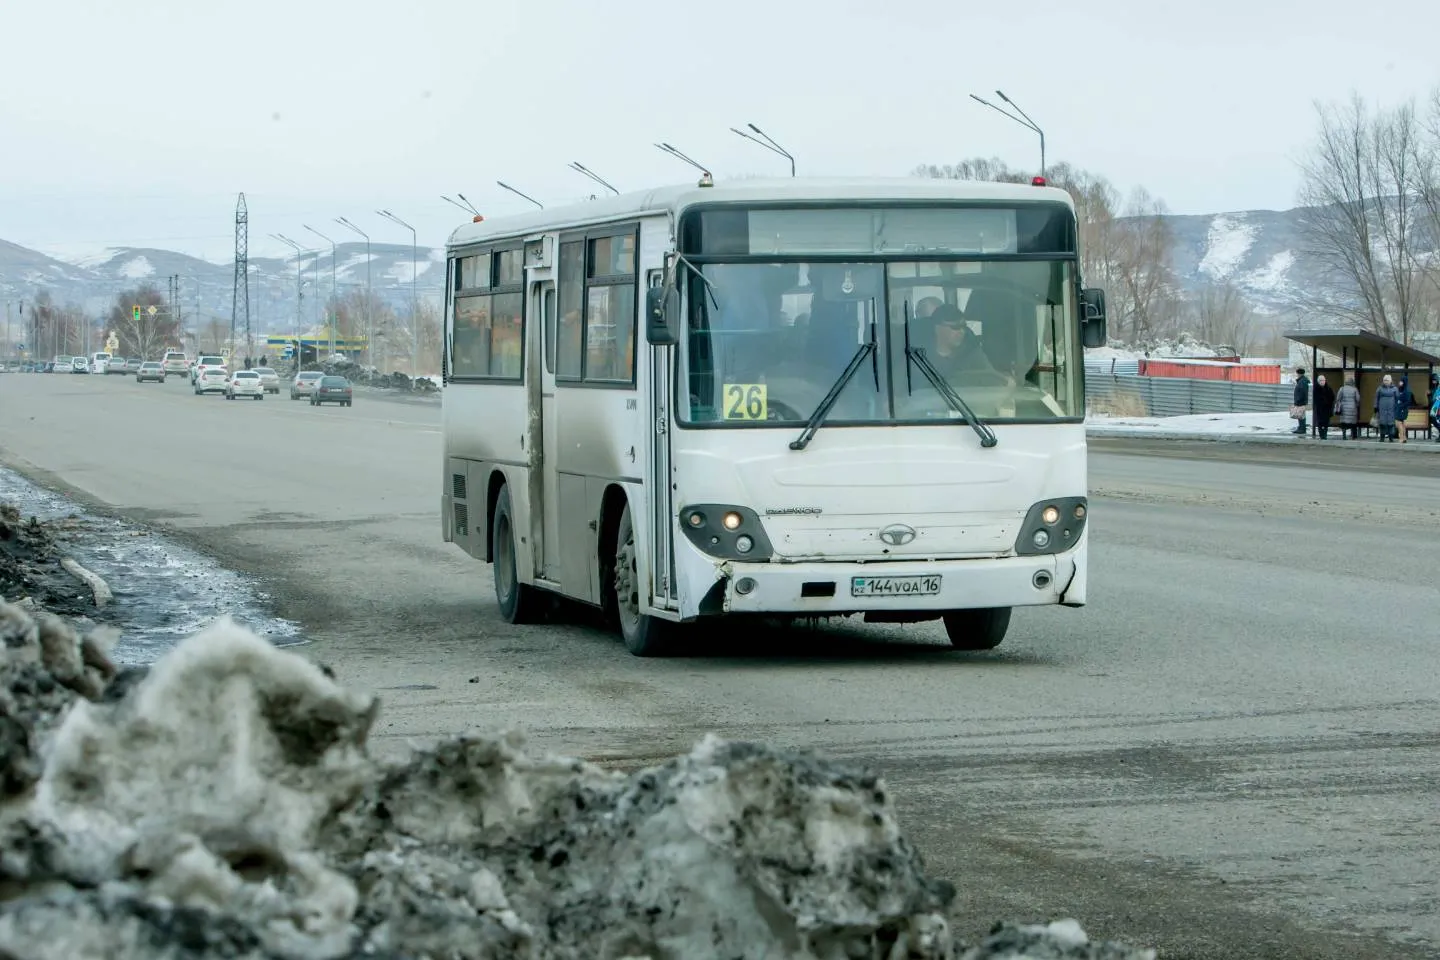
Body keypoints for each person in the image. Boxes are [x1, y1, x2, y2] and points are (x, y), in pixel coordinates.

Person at [1374, 373, 1400, 442]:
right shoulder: (1380, 388)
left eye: (1387, 380)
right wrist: (1375, 407)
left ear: (1390, 381)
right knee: (1382, 424)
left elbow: (1397, 399)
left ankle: (1391, 438)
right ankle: (1382, 438)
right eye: (1384, 380)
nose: (1386, 382)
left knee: (1391, 424)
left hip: (1391, 409)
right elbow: (1376, 398)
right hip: (1382, 409)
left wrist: (1397, 407)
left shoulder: (1395, 389)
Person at [1334, 375, 1361, 440]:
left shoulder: (1342, 388)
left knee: (1344, 423)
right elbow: (1358, 399)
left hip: (1344, 408)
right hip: (1353, 408)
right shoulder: (1355, 389)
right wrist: (1356, 404)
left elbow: (1338, 398)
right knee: (1353, 423)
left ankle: (1344, 436)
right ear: (1352, 383)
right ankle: (1354, 436)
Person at [1312, 374, 1335, 440]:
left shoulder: (1328, 388)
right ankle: (1321, 435)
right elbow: (1316, 399)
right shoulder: (1316, 388)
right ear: (1318, 381)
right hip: (1320, 409)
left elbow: (1332, 397)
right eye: (1321, 380)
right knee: (1320, 422)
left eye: (1323, 380)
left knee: (1326, 423)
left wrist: (1328, 403)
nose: (1322, 382)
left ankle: (1324, 435)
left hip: (1327, 409)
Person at [1291, 367, 1310, 435]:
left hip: (1300, 402)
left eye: (1297, 373)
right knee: (1301, 415)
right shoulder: (1302, 380)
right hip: (1301, 401)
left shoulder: (1302, 381)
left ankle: (1302, 429)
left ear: (1299, 373)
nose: (1297, 375)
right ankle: (1301, 428)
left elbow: (1302, 392)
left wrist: (1298, 401)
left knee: (1301, 415)